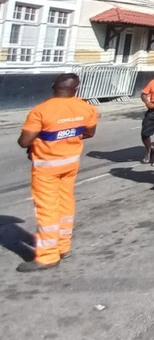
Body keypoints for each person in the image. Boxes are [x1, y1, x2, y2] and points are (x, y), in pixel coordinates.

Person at [16, 73, 98, 272]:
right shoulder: (86, 107)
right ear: (76, 89)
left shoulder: (41, 110)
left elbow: (24, 141)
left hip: (47, 167)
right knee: (65, 203)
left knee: (47, 209)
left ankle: (47, 256)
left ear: (53, 86)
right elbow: (89, 132)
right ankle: (62, 246)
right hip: (70, 164)